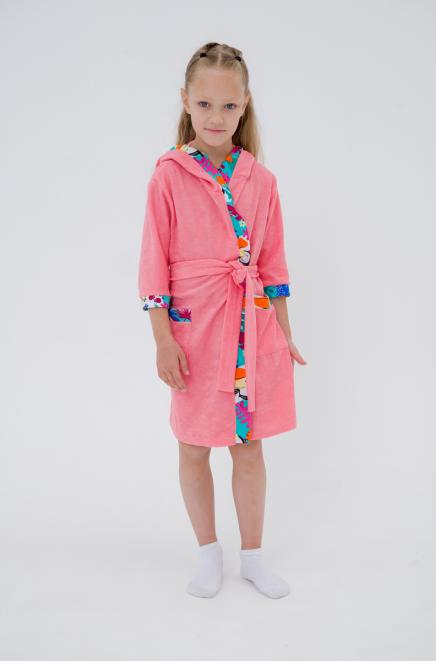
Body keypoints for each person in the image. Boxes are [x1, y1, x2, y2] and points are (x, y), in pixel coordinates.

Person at [138, 41, 307, 599]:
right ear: (186, 101)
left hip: (249, 328)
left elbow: (274, 263)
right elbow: (153, 263)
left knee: (249, 447)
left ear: (245, 105)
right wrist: (163, 339)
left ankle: (252, 556)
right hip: (194, 330)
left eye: (228, 106)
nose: (216, 117)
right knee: (193, 445)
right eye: (205, 104)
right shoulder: (168, 176)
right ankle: (208, 553)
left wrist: (283, 333)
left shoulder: (262, 180)